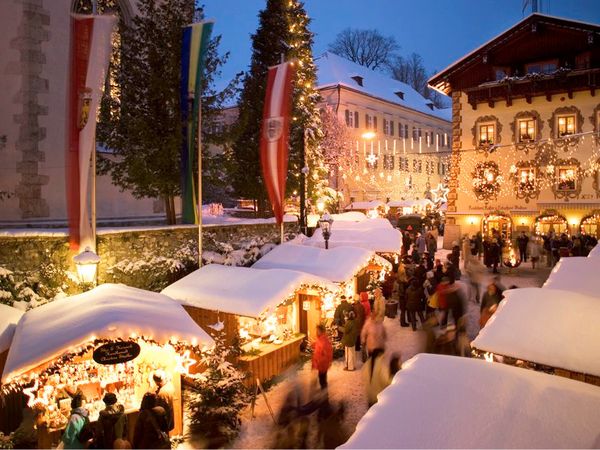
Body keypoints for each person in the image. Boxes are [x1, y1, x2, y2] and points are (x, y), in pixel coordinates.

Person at [312, 324, 333, 389]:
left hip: (322, 365)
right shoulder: (320, 339)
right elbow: (318, 346)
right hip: (319, 364)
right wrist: (313, 345)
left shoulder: (324, 341)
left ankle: (325, 396)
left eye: (318, 330)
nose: (316, 332)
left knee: (322, 381)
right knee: (321, 379)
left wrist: (320, 362)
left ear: (321, 331)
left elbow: (328, 353)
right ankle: (324, 393)